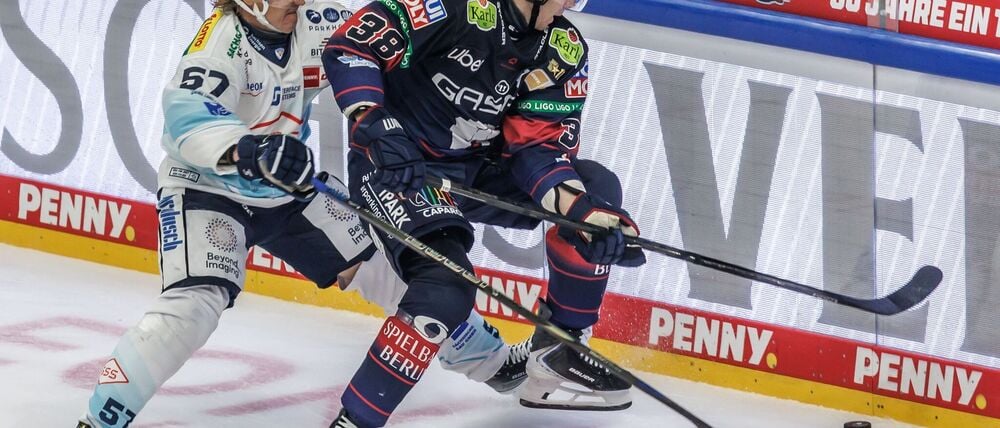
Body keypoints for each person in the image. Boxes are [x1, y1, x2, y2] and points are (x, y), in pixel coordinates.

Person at [76, 1, 524, 427]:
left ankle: (495, 364)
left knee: (398, 272)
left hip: (287, 189)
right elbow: (186, 116)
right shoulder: (218, 46)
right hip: (205, 189)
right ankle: (101, 417)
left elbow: (377, 50)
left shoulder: (317, 19)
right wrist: (247, 148)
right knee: (194, 306)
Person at [322, 0, 646, 426]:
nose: (571, 3)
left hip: (476, 171)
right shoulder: (450, 5)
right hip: (400, 168)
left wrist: (583, 214)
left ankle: (559, 347)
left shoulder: (563, 48)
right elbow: (350, 47)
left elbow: (537, 148)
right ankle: (357, 420)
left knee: (597, 188)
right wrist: (373, 122)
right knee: (444, 291)